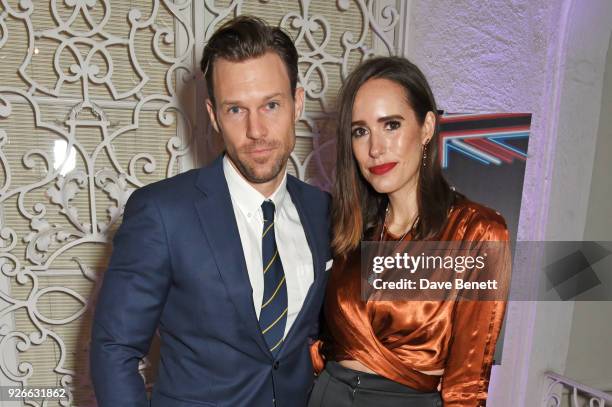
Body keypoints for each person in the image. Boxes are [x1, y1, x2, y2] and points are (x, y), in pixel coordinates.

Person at [90, 16, 332, 407]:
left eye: (271, 104)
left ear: (297, 103)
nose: (256, 130)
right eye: (236, 110)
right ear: (214, 114)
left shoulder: (324, 212)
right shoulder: (162, 213)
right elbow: (114, 349)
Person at [308, 56, 511, 406]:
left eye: (391, 125)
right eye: (360, 131)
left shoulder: (477, 233)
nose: (375, 148)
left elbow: (467, 386)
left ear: (427, 127)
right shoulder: (349, 231)